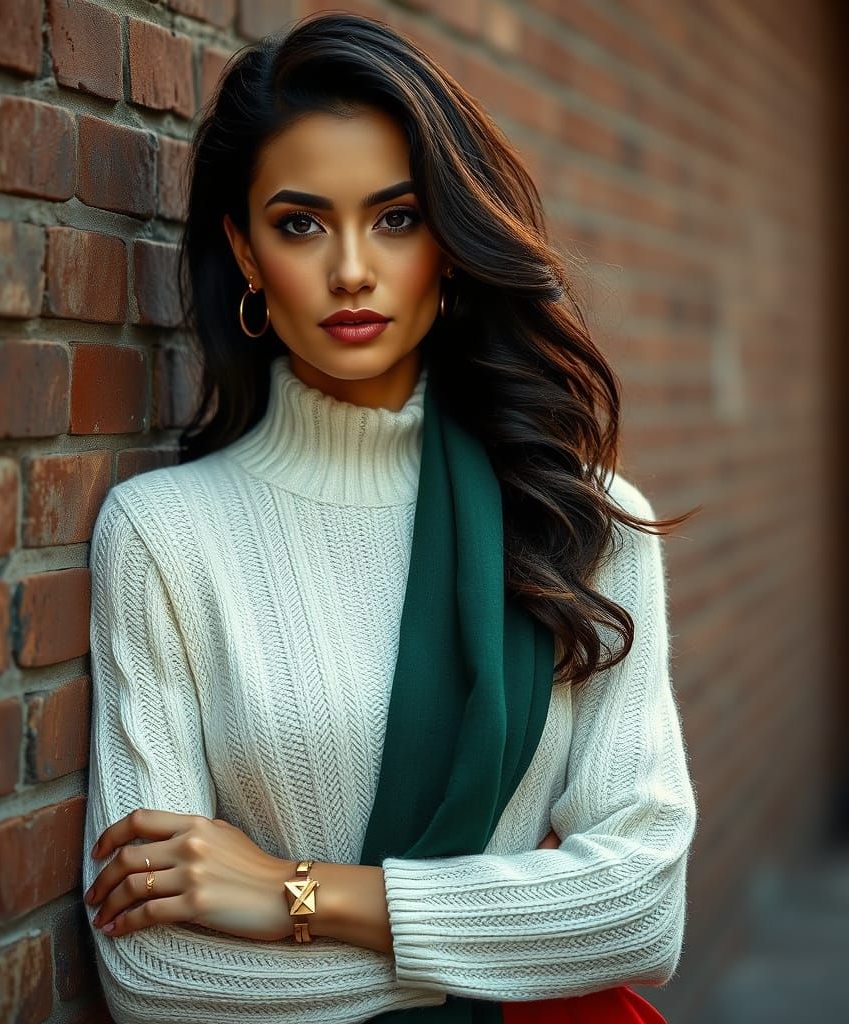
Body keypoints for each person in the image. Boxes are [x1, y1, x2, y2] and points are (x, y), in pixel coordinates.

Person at [81, 11, 699, 1024]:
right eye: (300, 223)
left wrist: (293, 896)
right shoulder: (163, 537)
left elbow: (639, 911)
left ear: (449, 244)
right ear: (242, 249)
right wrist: (514, 940)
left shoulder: (582, 524)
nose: (353, 268)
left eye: (397, 218)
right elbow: (155, 974)